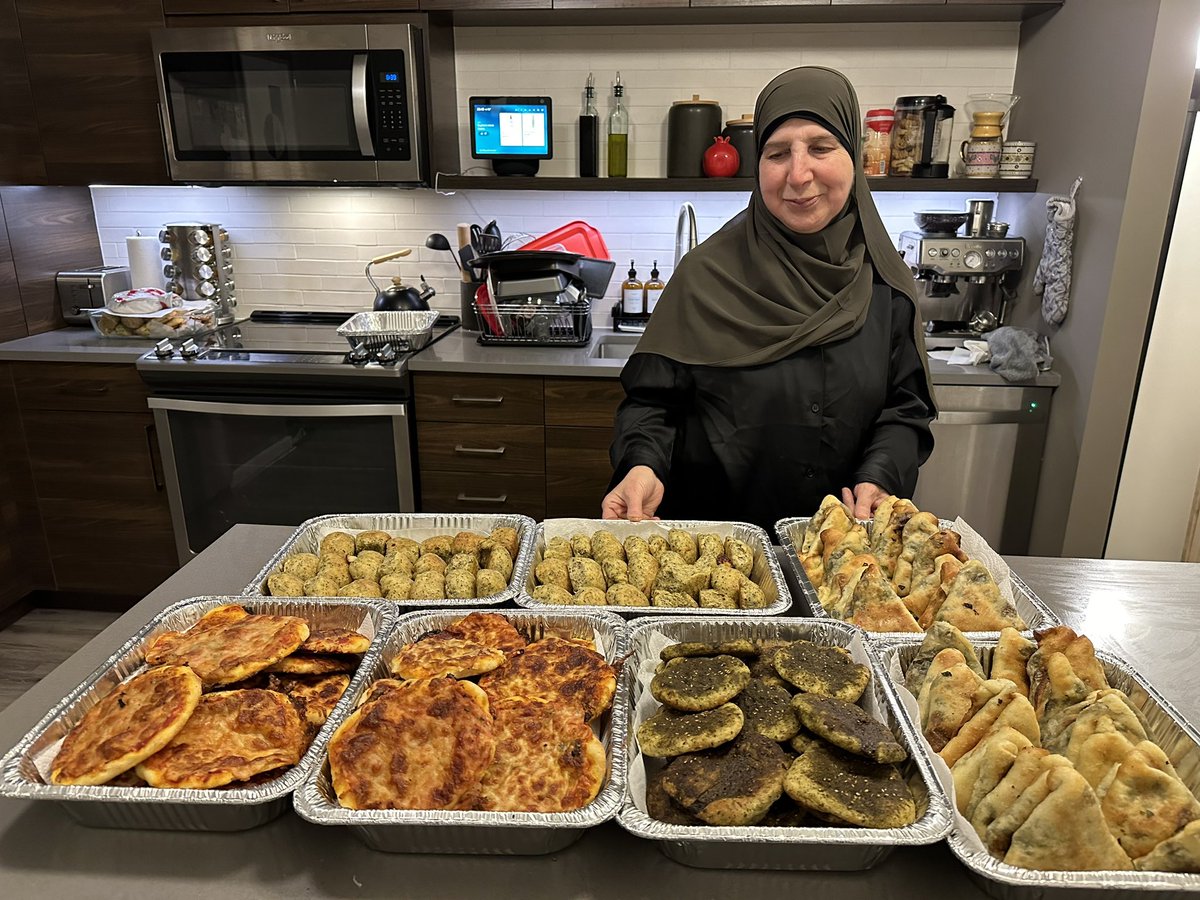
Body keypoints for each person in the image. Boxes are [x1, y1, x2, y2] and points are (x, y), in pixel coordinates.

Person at [601, 66, 936, 532]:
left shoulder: (886, 286)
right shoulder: (705, 275)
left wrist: (880, 475)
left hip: (836, 557)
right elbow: (652, 404)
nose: (798, 175)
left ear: (854, 158)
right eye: (778, 153)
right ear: (757, 166)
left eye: (821, 148)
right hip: (711, 560)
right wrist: (642, 465)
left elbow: (905, 412)